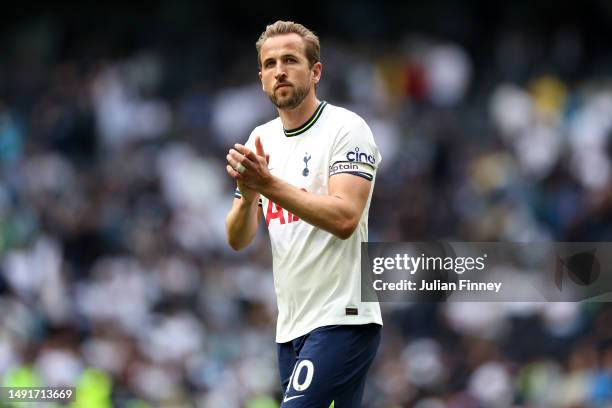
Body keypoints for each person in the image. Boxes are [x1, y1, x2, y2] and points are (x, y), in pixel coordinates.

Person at [225, 20, 382, 407]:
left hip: (343, 318)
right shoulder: (260, 140)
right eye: (271, 63)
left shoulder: (346, 128)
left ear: (315, 72)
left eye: (291, 60)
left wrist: (267, 184)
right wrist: (247, 196)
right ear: (261, 76)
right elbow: (239, 239)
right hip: (292, 327)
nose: (280, 70)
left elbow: (345, 218)